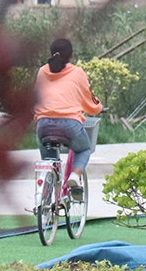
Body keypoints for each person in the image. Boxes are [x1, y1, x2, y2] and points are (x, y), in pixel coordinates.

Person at [34, 38, 103, 198]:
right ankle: (75, 175)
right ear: (71, 55)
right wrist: (98, 107)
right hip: (70, 125)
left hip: (43, 125)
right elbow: (89, 99)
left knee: (49, 162)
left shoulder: (42, 72)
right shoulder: (77, 73)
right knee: (84, 149)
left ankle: (46, 199)